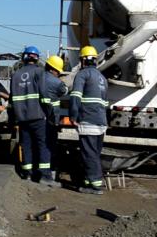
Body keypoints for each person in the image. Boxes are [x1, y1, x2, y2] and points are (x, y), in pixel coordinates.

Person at [69, 45, 108, 195]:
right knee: (95, 153)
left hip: (88, 120)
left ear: (83, 60)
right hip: (100, 122)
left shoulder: (83, 75)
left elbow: (76, 97)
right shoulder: (102, 78)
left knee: (89, 153)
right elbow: (105, 103)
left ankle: (95, 185)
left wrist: (73, 116)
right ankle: (89, 180)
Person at [10, 46, 52, 184]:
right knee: (42, 145)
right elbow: (45, 96)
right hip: (38, 116)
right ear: (37, 58)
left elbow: (12, 99)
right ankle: (44, 176)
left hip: (22, 118)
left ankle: (27, 174)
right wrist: (49, 112)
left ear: (24, 57)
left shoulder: (15, 75)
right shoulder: (40, 72)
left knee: (26, 144)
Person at [41, 55, 68, 184]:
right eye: (58, 71)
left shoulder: (39, 78)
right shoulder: (56, 82)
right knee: (50, 145)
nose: (58, 74)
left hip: (39, 117)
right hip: (52, 118)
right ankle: (48, 174)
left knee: (41, 144)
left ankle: (41, 172)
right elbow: (65, 91)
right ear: (53, 69)